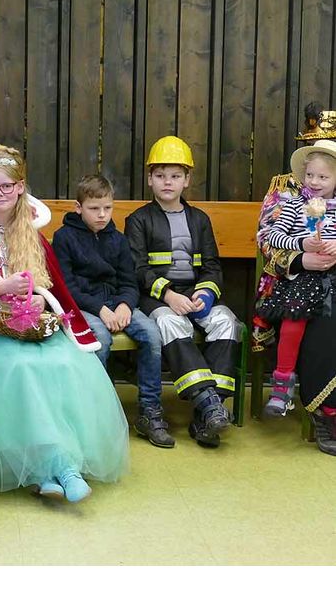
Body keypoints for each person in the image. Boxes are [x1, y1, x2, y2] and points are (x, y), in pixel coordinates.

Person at [0, 146, 129, 503]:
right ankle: (47, 467)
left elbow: (53, 285)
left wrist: (43, 299)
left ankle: (62, 465)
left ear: (20, 187)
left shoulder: (34, 235)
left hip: (32, 328)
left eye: (5, 187)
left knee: (63, 363)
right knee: (23, 370)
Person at [125, 136, 242, 448]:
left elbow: (213, 266)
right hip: (157, 298)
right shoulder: (137, 220)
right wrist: (169, 296)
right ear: (150, 179)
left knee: (226, 321)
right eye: (161, 175)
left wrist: (205, 294)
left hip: (194, 293)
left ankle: (207, 417)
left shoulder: (199, 219)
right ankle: (209, 405)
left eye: (176, 176)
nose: (168, 182)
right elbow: (137, 269)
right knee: (167, 322)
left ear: (187, 180)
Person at [52, 174, 173, 448]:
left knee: (151, 335)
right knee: (100, 340)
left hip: (118, 303)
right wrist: (102, 310)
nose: (102, 215)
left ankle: (149, 412)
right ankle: (100, 414)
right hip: (84, 306)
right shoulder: (64, 238)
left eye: (107, 208)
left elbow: (129, 281)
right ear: (78, 207)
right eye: (94, 209)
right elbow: (66, 288)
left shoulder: (117, 240)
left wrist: (124, 305)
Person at [254, 105, 336, 454]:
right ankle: (325, 410)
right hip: (296, 279)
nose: (315, 181)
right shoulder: (287, 191)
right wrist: (303, 258)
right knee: (314, 322)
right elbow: (266, 239)